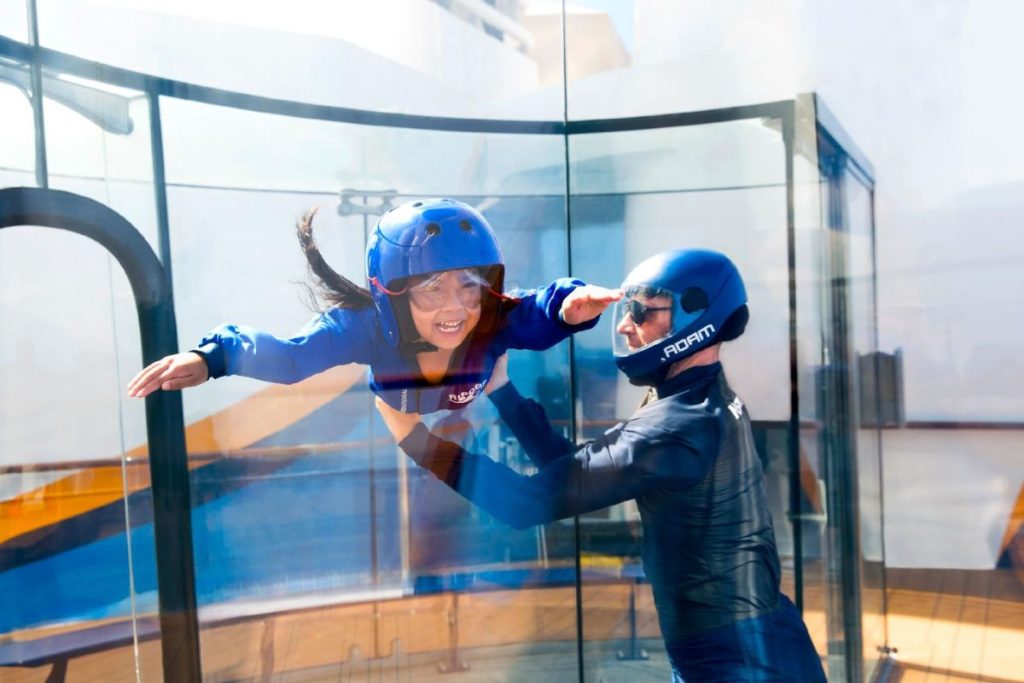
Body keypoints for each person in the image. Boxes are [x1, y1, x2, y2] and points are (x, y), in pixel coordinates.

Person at [375, 249, 827, 681]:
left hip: (737, 659)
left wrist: (418, 442)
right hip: (751, 639)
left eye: (645, 313)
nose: (627, 326)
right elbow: (576, 470)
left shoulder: (675, 425)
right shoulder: (703, 399)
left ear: (696, 318)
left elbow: (523, 504)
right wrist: (502, 390)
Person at [128, 198, 619, 412]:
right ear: (391, 296)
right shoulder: (363, 328)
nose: (455, 307)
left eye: (469, 286)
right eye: (432, 289)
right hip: (399, 409)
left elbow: (531, 311)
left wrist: (566, 307)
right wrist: (212, 358)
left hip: (459, 403)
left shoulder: (489, 320)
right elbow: (291, 356)